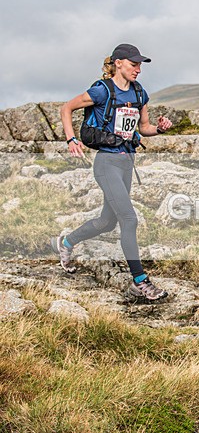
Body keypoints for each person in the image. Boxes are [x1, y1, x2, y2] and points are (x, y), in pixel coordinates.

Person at [51, 43, 173, 301]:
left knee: (107, 222)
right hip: (106, 163)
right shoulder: (101, 90)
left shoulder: (139, 93)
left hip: (127, 162)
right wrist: (71, 140)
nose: (138, 69)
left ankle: (65, 243)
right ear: (118, 63)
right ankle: (140, 281)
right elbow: (66, 108)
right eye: (133, 64)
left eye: (140, 65)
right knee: (129, 219)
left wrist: (160, 129)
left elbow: (144, 128)